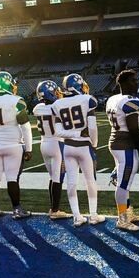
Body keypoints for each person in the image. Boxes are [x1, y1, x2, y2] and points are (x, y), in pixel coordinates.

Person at [0, 71, 33, 220]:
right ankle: (16, 209)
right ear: (8, 84)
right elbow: (25, 127)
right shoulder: (17, 101)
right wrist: (28, 148)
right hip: (12, 145)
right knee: (12, 178)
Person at [52, 74, 105, 226]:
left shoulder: (58, 104)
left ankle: (77, 216)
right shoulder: (87, 100)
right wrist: (93, 143)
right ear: (78, 85)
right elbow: (93, 128)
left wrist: (74, 134)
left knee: (71, 182)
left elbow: (57, 132)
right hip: (84, 147)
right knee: (90, 181)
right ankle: (93, 215)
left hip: (68, 147)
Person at [107, 70, 139, 231]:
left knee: (124, 182)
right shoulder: (131, 101)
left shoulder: (112, 99)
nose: (136, 83)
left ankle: (128, 213)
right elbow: (134, 131)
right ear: (124, 83)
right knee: (123, 184)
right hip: (125, 144)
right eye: (133, 80)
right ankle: (122, 219)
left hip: (115, 141)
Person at [33, 80, 69, 219]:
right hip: (57, 144)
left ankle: (53, 207)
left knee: (53, 178)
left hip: (44, 144)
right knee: (58, 178)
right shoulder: (58, 106)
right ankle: (55, 210)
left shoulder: (38, 108)